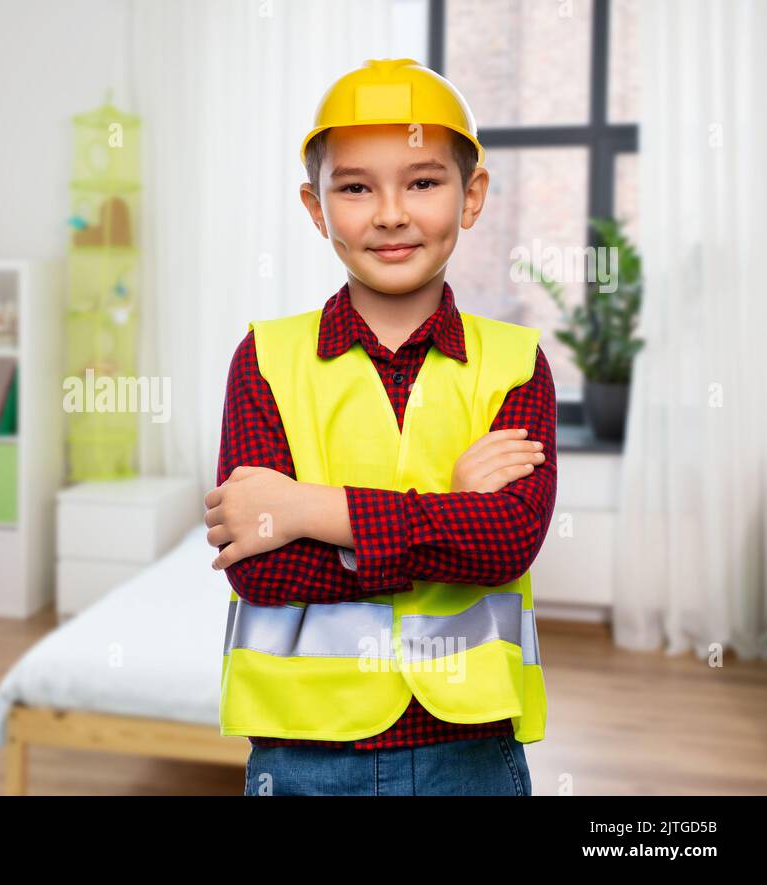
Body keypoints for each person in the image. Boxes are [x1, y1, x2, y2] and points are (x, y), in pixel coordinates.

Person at [204, 58, 557, 796]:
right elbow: (260, 567)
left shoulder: (516, 362)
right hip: (304, 750)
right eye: (356, 186)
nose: (391, 212)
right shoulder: (265, 357)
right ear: (315, 207)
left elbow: (506, 541)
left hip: (473, 747)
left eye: (423, 181)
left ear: (472, 196)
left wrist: (308, 510)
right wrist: (449, 517)